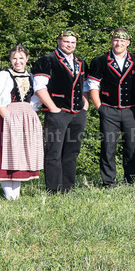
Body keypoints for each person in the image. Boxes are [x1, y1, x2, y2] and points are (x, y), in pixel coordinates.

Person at [33, 29, 89, 194]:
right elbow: (39, 87)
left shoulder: (80, 62)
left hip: (77, 113)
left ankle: (68, 188)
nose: (70, 45)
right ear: (59, 41)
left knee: (72, 151)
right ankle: (54, 189)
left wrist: (85, 106)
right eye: (66, 41)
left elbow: (84, 86)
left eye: (73, 42)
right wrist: (53, 108)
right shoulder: (47, 60)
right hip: (58, 112)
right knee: (54, 151)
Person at [0, 45, 44, 200]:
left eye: (21, 58)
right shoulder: (4, 75)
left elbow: (35, 99)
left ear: (27, 58)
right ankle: (8, 193)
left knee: (22, 154)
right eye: (14, 58)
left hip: (27, 116)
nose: (18, 62)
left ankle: (16, 194)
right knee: (9, 152)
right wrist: (8, 119)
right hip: (9, 115)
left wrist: (32, 115)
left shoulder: (32, 76)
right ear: (10, 59)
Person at [87, 28, 135, 187]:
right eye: (116, 40)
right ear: (111, 41)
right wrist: (100, 108)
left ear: (128, 43)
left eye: (122, 41)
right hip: (109, 109)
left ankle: (130, 180)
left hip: (132, 109)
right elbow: (93, 86)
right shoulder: (100, 61)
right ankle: (108, 181)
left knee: (131, 146)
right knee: (108, 147)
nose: (119, 43)